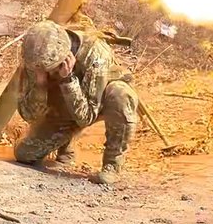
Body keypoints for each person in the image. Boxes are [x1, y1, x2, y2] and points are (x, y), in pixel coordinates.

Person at [13, 20, 139, 185]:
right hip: (61, 109)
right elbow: (28, 114)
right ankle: (66, 141)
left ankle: (112, 165)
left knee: (120, 93)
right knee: (25, 155)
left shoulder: (95, 54)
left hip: (96, 103)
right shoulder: (36, 58)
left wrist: (68, 79)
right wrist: (40, 85)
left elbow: (86, 117)